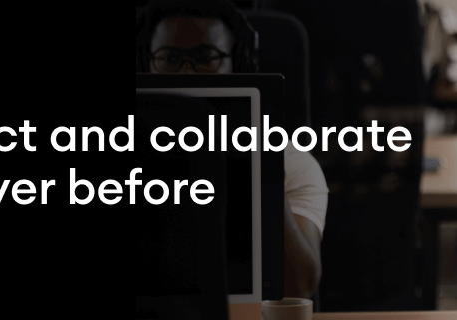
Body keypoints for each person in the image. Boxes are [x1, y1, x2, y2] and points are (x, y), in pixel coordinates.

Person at [139, 0, 330, 299]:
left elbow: (298, 289)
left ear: (239, 64)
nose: (186, 74)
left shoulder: (291, 163)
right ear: (147, 64)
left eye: (205, 57)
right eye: (169, 58)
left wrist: (260, 164)